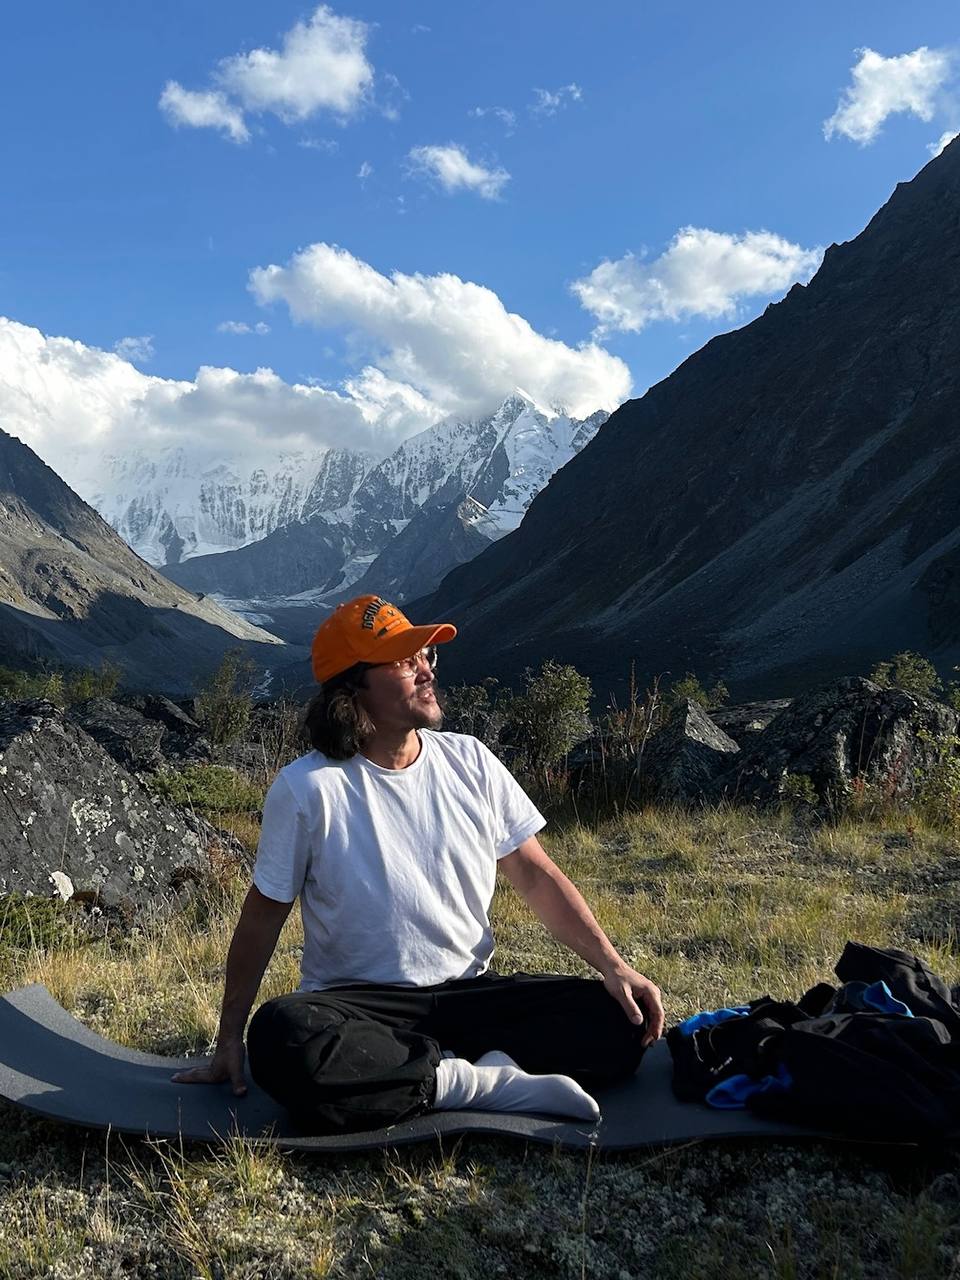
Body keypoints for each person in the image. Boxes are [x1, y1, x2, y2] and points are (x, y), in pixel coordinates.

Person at [173, 594, 664, 1132]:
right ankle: (476, 1081)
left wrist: (613, 966)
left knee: (622, 1017)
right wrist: (229, 1036)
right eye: (405, 662)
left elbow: (536, 876)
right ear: (352, 689)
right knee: (280, 1036)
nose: (427, 670)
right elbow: (263, 916)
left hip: (469, 995)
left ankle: (424, 1075)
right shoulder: (307, 788)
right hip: (359, 1008)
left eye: (426, 656)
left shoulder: (471, 761)